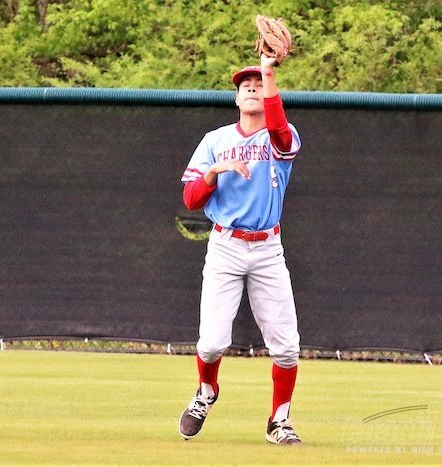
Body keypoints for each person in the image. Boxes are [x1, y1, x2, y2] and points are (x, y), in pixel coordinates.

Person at [178, 53, 302, 445]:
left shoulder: (281, 137)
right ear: (236, 98)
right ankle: (206, 392)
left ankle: (279, 421)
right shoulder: (215, 141)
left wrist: (268, 70)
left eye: (258, 85)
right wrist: (215, 171)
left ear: (269, 95)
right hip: (226, 245)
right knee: (212, 342)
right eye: (245, 86)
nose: (251, 89)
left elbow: (278, 129)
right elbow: (190, 199)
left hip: (267, 248)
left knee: (287, 348)